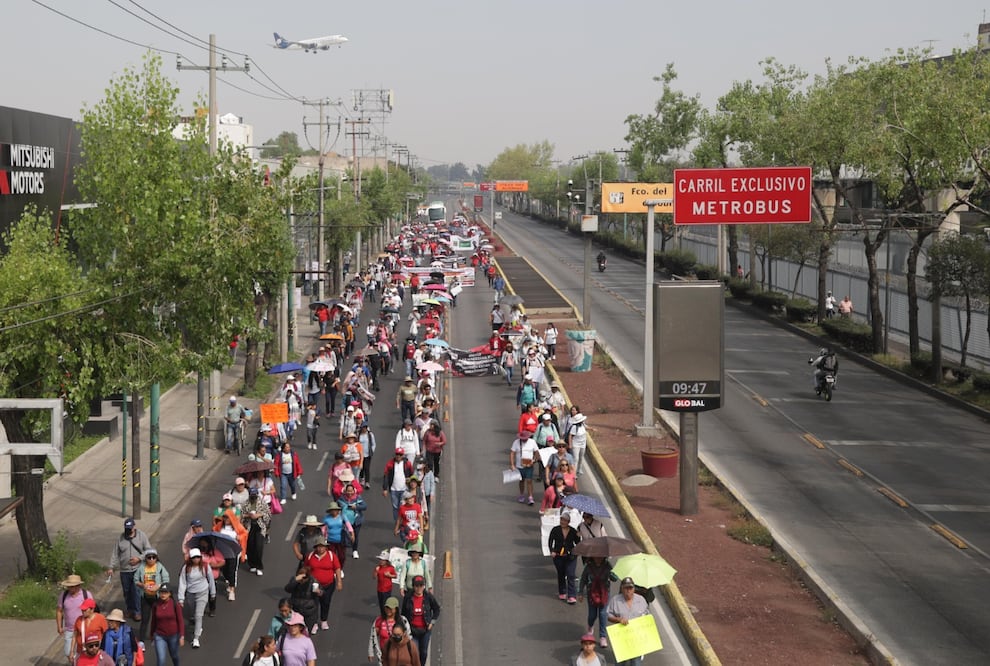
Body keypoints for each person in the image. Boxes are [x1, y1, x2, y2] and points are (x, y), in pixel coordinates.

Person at [107, 517, 152, 622]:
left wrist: (139, 559)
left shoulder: (142, 536)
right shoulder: (121, 538)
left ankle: (137, 611)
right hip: (124, 570)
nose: (128, 530)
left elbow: (149, 550)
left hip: (137, 569)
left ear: (134, 527)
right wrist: (111, 567)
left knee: (136, 591)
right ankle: (130, 609)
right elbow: (115, 553)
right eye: (126, 528)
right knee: (127, 591)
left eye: (130, 528)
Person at [606, 577, 651, 666]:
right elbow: (609, 616)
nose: (628, 590)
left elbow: (647, 616)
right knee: (620, 663)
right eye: (626, 588)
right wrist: (618, 619)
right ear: (621, 588)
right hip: (622, 638)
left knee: (636, 663)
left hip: (637, 638)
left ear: (634, 589)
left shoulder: (641, 600)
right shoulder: (615, 600)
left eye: (630, 588)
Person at [177, 548, 216, 649]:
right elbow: (182, 582)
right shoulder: (186, 568)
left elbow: (211, 579)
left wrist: (213, 593)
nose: (196, 559)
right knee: (193, 612)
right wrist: (181, 598)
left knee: (199, 615)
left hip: (202, 593)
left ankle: (196, 638)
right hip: (190, 594)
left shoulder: (205, 566)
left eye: (198, 557)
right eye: (194, 557)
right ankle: (198, 627)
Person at [304, 537, 343, 633]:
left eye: (322, 547)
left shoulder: (331, 556)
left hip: (328, 585)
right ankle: (314, 623)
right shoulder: (310, 556)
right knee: (314, 603)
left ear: (326, 547)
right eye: (319, 547)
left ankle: (323, 620)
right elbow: (306, 569)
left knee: (325, 602)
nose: (321, 549)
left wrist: (339, 581)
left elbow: (337, 568)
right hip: (314, 585)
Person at [400, 575, 439, 664]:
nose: (419, 588)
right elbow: (403, 615)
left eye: (421, 585)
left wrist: (432, 623)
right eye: (416, 586)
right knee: (414, 652)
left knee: (424, 652)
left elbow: (437, 609)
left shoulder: (428, 597)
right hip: (412, 631)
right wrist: (404, 629)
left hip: (425, 630)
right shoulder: (408, 597)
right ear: (413, 586)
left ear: (424, 586)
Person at [57, 573, 94, 663]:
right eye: (68, 586)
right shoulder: (64, 595)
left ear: (78, 586)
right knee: (68, 652)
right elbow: (59, 611)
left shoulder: (86, 594)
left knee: (85, 652)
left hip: (84, 629)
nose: (69, 588)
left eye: (71, 586)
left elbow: (92, 610)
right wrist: (59, 626)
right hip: (69, 629)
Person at [133, 548, 168, 642]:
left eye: (154, 557)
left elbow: (166, 579)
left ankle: (157, 636)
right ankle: (142, 641)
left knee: (158, 617)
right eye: (149, 557)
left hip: (156, 597)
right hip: (145, 597)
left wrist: (158, 586)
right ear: (146, 558)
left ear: (156, 558)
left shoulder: (159, 567)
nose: (151, 559)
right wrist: (142, 585)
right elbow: (136, 580)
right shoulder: (141, 567)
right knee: (145, 619)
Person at [578, 557, 614, 647]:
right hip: (592, 594)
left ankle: (602, 636)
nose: (598, 558)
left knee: (603, 614)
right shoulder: (588, 567)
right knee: (592, 615)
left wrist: (613, 574)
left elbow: (614, 578)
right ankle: (590, 626)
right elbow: (583, 580)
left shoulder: (607, 566)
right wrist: (580, 593)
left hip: (604, 594)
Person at [368, 596, 412, 666]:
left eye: (391, 608)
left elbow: (409, 636)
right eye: (387, 608)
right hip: (383, 655)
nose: (388, 610)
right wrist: (370, 652)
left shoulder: (403, 620)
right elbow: (373, 636)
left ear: (396, 609)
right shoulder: (379, 621)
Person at [548, 511, 581, 604]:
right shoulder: (555, 530)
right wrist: (552, 550)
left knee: (571, 574)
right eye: (561, 520)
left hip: (570, 556)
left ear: (568, 522)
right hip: (558, 556)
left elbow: (578, 543)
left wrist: (578, 537)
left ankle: (572, 595)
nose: (562, 522)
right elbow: (550, 541)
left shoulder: (573, 531)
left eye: (565, 520)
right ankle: (562, 591)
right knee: (561, 574)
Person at [149, 583, 184, 666]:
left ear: (170, 593)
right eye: (161, 592)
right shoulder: (156, 605)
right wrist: (151, 634)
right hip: (159, 635)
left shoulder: (175, 605)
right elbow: (153, 620)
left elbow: (180, 621)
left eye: (165, 592)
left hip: (173, 636)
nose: (163, 594)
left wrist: (181, 636)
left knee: (174, 656)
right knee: (161, 660)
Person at [283, 565, 320, 636]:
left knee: (306, 633)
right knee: (294, 632)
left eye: (304, 577)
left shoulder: (313, 582)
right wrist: (295, 580)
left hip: (309, 612)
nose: (302, 580)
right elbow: (287, 589)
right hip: (296, 611)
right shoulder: (295, 580)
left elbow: (321, 593)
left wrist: (319, 592)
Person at [243, 487, 272, 576]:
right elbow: (241, 515)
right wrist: (248, 515)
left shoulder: (262, 503)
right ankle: (252, 564)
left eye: (255, 495)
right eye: (252, 495)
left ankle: (259, 566)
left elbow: (268, 514)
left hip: (260, 527)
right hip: (249, 527)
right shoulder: (245, 504)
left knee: (259, 547)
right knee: (250, 546)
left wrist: (259, 515)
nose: (253, 497)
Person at [72, 597, 108, 663]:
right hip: (81, 652)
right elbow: (75, 636)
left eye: (85, 610)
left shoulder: (100, 618)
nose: (82, 611)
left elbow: (106, 634)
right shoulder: (79, 620)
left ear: (92, 609)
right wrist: (71, 651)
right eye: (82, 610)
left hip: (96, 652)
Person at [509, 430, 540, 505]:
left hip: (529, 465)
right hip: (519, 466)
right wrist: (512, 464)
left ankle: (530, 496)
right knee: (521, 480)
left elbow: (537, 452)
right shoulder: (516, 442)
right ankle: (522, 494)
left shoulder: (532, 442)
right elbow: (512, 453)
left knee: (529, 481)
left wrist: (534, 460)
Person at [383, 448, 414, 522]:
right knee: (395, 507)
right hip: (394, 489)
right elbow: (386, 476)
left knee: (402, 506)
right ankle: (397, 522)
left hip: (404, 489)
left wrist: (410, 483)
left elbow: (411, 474)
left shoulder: (407, 464)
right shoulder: (390, 464)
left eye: (400, 455)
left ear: (403, 455)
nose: (398, 456)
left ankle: (403, 522)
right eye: (397, 454)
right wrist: (385, 489)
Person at [339, 484, 368, 559]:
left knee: (356, 535)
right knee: (344, 535)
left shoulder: (358, 498)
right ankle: (343, 550)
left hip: (356, 520)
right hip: (345, 521)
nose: (349, 493)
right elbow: (337, 507)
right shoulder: (342, 499)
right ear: (345, 491)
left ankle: (355, 550)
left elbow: (365, 506)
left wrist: (356, 507)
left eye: (351, 491)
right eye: (348, 491)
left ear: (354, 491)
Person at [373, 551, 398, 616]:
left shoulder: (390, 568)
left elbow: (395, 576)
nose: (381, 561)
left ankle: (387, 616)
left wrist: (389, 575)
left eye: (383, 560)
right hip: (379, 589)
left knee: (386, 604)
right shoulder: (378, 568)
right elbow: (374, 577)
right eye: (380, 560)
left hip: (387, 589)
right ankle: (383, 616)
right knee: (381, 604)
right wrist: (376, 571)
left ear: (386, 561)